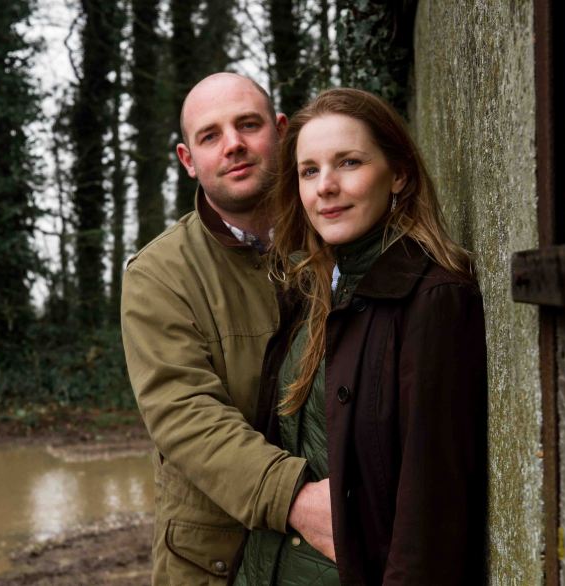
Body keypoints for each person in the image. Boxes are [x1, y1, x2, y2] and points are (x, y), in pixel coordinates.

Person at [233, 88, 488, 585]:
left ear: (399, 173)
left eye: (348, 162)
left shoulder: (434, 301)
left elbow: (431, 515)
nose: (325, 187)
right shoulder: (311, 292)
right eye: (309, 171)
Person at [120, 72, 333, 586]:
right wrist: (296, 499)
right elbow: (183, 413)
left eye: (248, 125)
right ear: (188, 159)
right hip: (215, 560)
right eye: (210, 135)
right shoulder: (158, 274)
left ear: (281, 132)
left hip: (338, 549)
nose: (233, 144)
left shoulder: (339, 232)